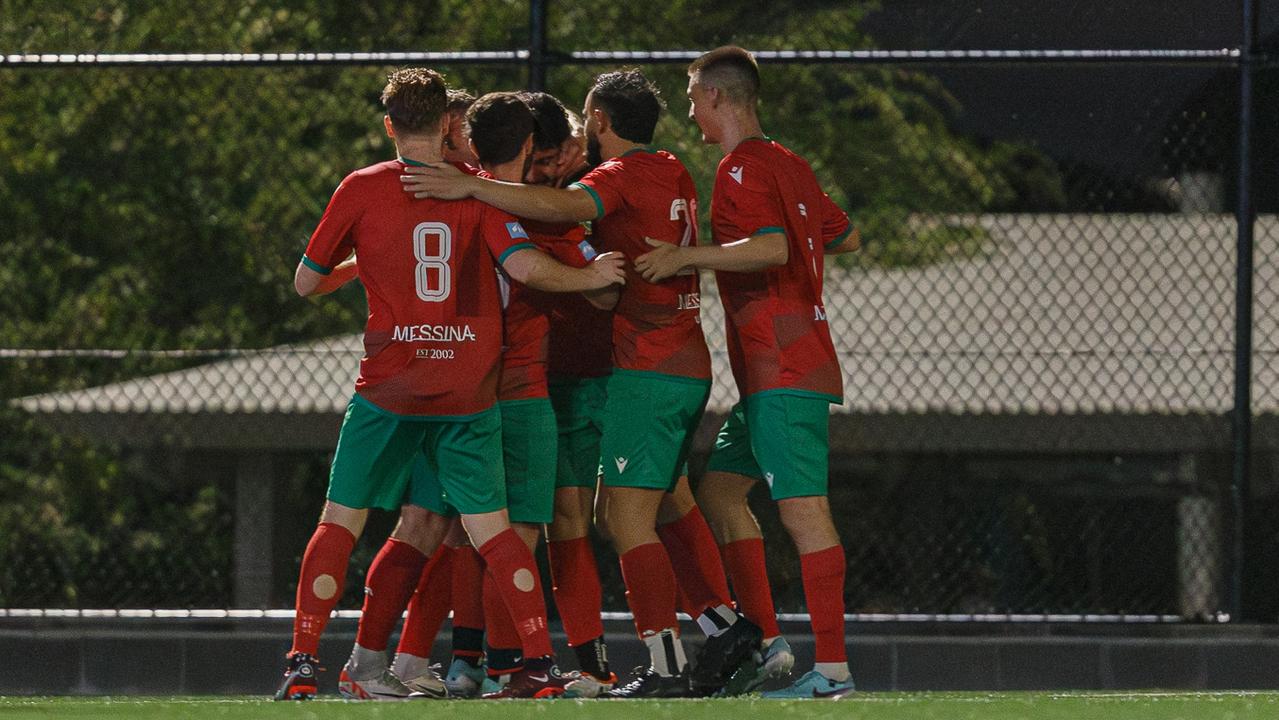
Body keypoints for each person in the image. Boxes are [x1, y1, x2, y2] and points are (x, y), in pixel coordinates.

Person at [401, 68, 761, 699]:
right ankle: (722, 627)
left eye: (571, 139)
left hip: (626, 371)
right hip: (644, 368)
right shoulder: (670, 167)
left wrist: (475, 189)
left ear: (595, 122)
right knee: (609, 511)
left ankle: (664, 658)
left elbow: (577, 224)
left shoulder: (601, 184)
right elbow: (583, 240)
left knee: (588, 518)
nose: (563, 159)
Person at [273, 67, 625, 702]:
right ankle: (533, 663)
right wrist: (595, 276)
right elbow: (523, 266)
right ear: (446, 124)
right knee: (496, 531)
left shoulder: (362, 187)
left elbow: (304, 281)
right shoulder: (476, 194)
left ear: (388, 125)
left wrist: (365, 264)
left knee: (347, 522)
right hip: (470, 392)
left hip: (390, 389)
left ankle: (306, 661)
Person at [634, 46, 861, 700]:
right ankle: (768, 644)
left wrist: (685, 258)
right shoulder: (788, 162)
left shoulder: (738, 169)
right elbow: (841, 236)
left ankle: (834, 676)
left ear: (717, 98)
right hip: (783, 367)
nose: (689, 111)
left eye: (691, 99)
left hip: (783, 366)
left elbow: (771, 246)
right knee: (720, 494)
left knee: (805, 515)